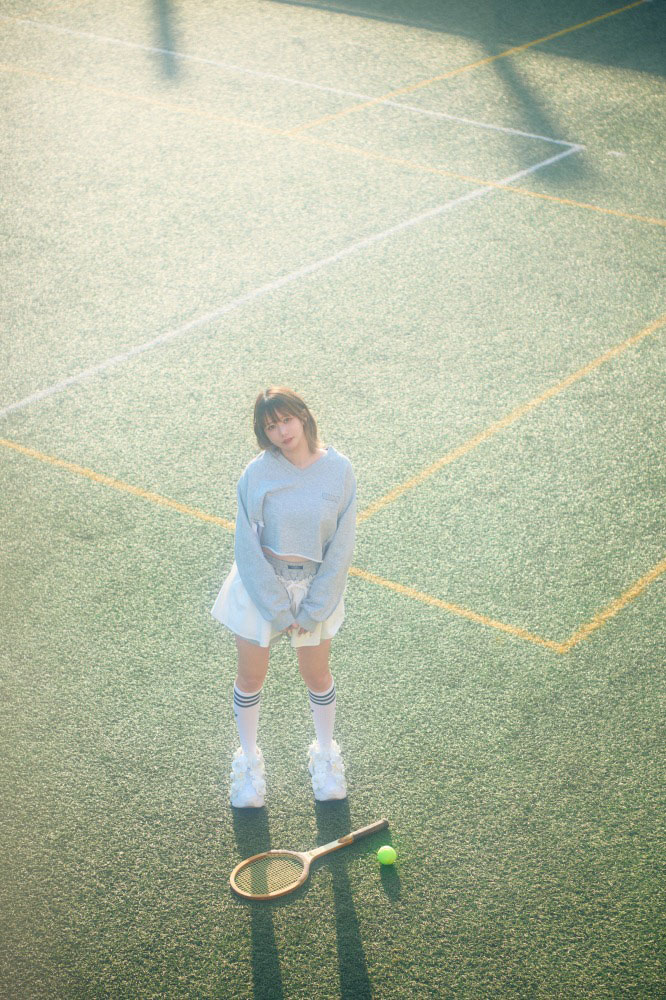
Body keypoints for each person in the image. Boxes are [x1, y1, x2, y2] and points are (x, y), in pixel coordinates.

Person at [211, 386, 357, 808]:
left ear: (304, 416)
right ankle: (248, 763)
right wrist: (276, 607)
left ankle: (325, 755)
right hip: (261, 589)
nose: (282, 432)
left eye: (286, 420)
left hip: (314, 589)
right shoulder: (257, 473)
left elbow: (341, 547)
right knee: (250, 678)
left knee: (317, 676)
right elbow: (246, 546)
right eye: (271, 426)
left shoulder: (339, 470)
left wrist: (314, 609)